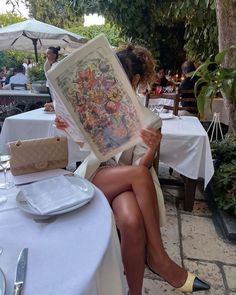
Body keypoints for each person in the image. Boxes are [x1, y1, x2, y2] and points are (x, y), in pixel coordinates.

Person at [55, 44, 210, 295]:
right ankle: (159, 258)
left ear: (135, 79)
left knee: (131, 220)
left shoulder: (151, 119)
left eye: (120, 74)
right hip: (99, 175)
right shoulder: (98, 106)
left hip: (130, 184)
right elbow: (85, 146)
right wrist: (67, 125)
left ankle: (134, 292)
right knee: (137, 176)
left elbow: (141, 166)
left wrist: (151, 150)